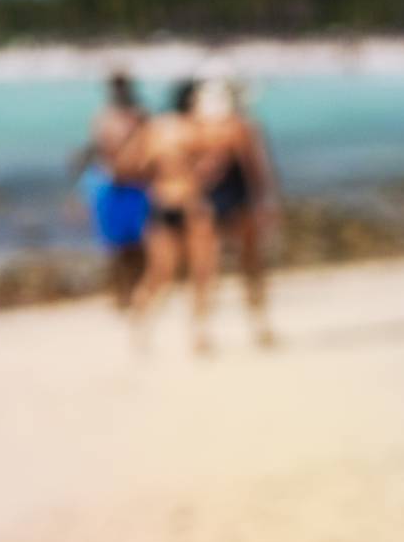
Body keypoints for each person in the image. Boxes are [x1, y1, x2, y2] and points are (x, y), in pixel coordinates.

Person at [122, 79, 218, 353]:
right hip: (191, 203)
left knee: (158, 274)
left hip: (160, 200)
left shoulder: (155, 129)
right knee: (202, 272)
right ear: (193, 101)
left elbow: (129, 165)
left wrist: (158, 174)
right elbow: (215, 165)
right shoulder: (197, 129)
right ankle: (199, 334)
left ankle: (140, 331)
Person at [195, 75, 279, 346]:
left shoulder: (198, 127)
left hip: (207, 203)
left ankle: (201, 331)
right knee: (250, 265)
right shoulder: (241, 128)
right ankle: (259, 325)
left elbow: (189, 173)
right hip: (238, 200)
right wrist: (266, 203)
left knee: (207, 269)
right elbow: (255, 170)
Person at [72, 72, 150, 307]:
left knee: (140, 243)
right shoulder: (104, 118)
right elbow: (92, 151)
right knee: (115, 246)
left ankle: (138, 291)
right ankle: (121, 294)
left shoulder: (140, 116)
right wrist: (79, 186)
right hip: (110, 184)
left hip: (136, 183)